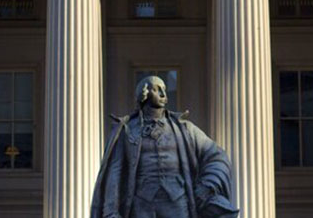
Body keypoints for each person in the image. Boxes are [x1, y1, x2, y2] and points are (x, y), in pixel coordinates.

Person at [91, 75, 239, 218]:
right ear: (144, 94)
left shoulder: (185, 129)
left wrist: (207, 185)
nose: (163, 94)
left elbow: (216, 155)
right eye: (156, 89)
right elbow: (115, 173)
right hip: (141, 204)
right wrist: (110, 210)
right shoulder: (127, 130)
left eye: (164, 89)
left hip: (178, 202)